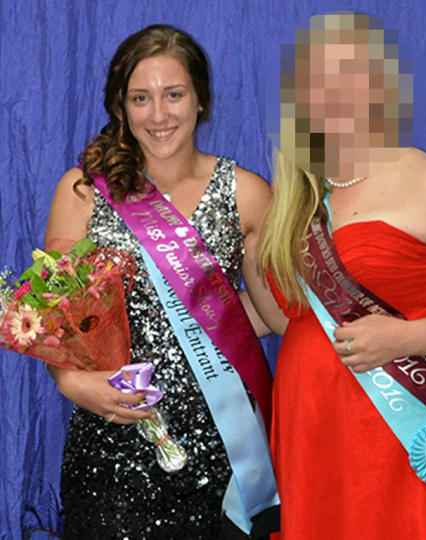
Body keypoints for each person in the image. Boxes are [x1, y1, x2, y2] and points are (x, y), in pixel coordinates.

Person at [44, 24, 278, 538]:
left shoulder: (247, 193)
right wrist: (72, 382)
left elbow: (275, 312)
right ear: (120, 107)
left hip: (222, 441)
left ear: (200, 101)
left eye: (174, 95)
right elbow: (55, 323)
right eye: (140, 98)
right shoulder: (82, 191)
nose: (158, 115)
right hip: (113, 438)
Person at [255, 12, 426, 539]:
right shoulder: (294, 193)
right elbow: (286, 318)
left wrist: (409, 336)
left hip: (402, 433)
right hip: (312, 425)